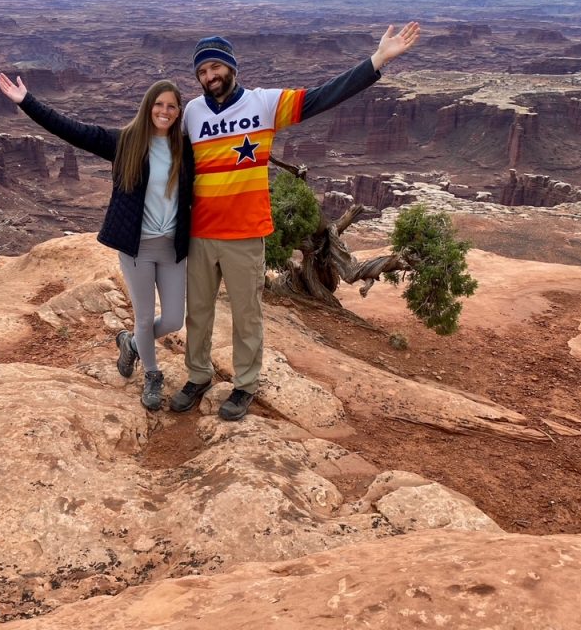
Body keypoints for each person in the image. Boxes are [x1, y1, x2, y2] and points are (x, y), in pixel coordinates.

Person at [170, 22, 421, 420]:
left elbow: (323, 97)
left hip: (244, 234)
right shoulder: (191, 113)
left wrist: (377, 60)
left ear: (231, 68)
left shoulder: (264, 104)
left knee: (246, 313)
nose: (209, 76)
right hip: (200, 233)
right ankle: (197, 375)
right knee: (197, 312)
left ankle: (245, 384)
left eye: (215, 67)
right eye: (201, 72)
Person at [0, 73, 194, 411]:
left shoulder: (186, 149)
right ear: (149, 108)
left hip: (172, 247)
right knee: (145, 318)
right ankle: (151, 374)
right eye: (159, 105)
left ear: (179, 112)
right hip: (137, 248)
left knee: (174, 319)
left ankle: (131, 344)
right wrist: (27, 102)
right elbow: (73, 130)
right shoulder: (124, 142)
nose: (165, 111)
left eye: (172, 107)